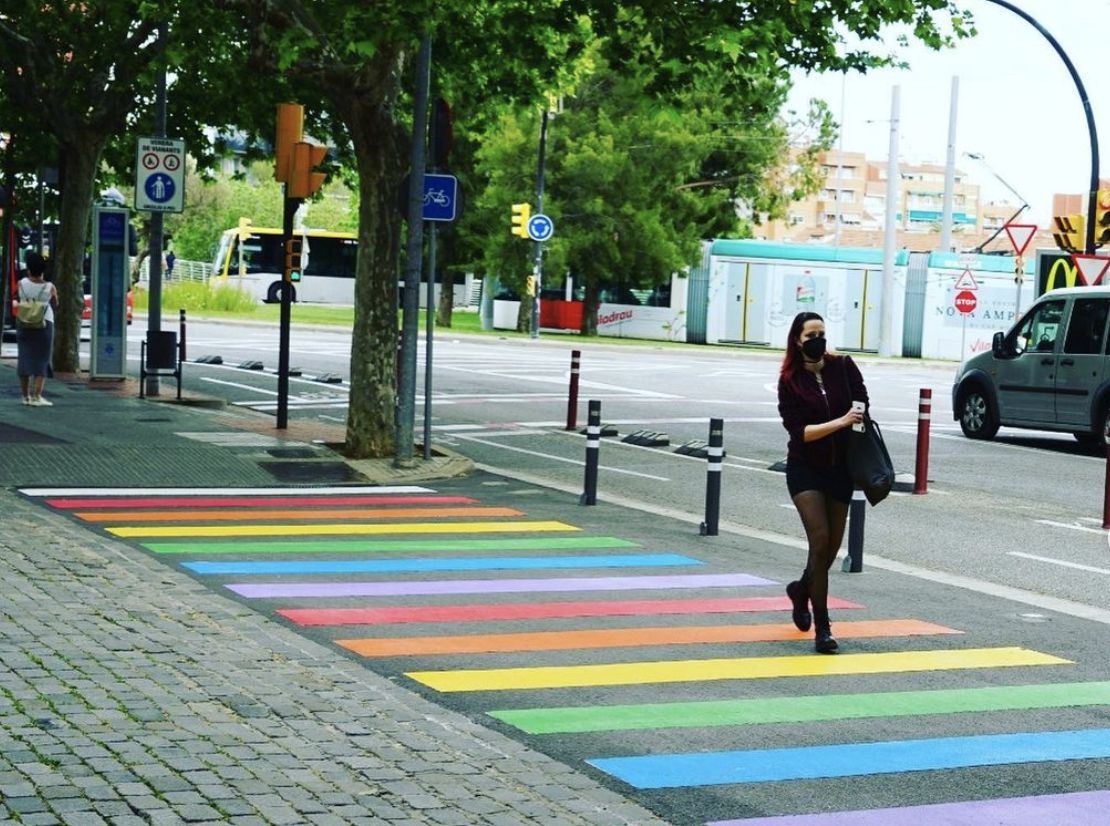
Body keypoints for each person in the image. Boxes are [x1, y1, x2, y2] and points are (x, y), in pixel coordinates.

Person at [777, 311, 868, 654]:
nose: (818, 339)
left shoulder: (843, 366)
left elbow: (862, 402)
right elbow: (800, 433)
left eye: (822, 333)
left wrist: (856, 417)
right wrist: (842, 420)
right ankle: (824, 629)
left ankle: (801, 591)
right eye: (811, 334)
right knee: (820, 539)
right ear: (797, 340)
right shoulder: (790, 380)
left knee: (829, 552)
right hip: (805, 468)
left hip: (840, 470)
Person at [15, 251, 58, 407]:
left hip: (23, 323)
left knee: (24, 357)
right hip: (44, 323)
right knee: (42, 359)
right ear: (43, 270)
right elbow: (55, 304)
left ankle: (25, 396)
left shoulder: (21, 283)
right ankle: (37, 396)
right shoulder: (50, 287)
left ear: (28, 269)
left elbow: (16, 298)